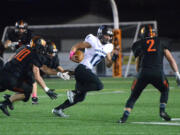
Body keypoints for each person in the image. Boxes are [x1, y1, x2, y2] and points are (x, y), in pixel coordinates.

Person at [52, 25, 118, 117]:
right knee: (99, 86)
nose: (108, 37)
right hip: (83, 68)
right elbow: (77, 46)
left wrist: (113, 58)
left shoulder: (109, 47)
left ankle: (58, 109)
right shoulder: (93, 41)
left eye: (110, 36)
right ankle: (74, 92)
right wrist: (71, 55)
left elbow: (108, 64)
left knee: (79, 97)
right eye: (106, 35)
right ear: (100, 34)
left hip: (85, 71)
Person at [118, 25, 180, 123]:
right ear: (154, 33)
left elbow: (138, 62)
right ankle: (162, 111)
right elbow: (171, 59)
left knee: (134, 95)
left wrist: (138, 75)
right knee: (165, 90)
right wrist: (177, 74)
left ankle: (124, 117)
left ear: (143, 34)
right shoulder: (161, 42)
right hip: (158, 73)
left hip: (143, 73)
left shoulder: (138, 44)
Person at [0, 36, 69, 116]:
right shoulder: (35, 55)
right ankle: (5, 103)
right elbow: (37, 74)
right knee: (27, 91)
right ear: (38, 47)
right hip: (12, 77)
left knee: (25, 88)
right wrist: (47, 90)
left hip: (5, 72)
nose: (43, 49)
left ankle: (8, 101)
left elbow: (13, 57)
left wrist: (60, 73)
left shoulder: (24, 48)